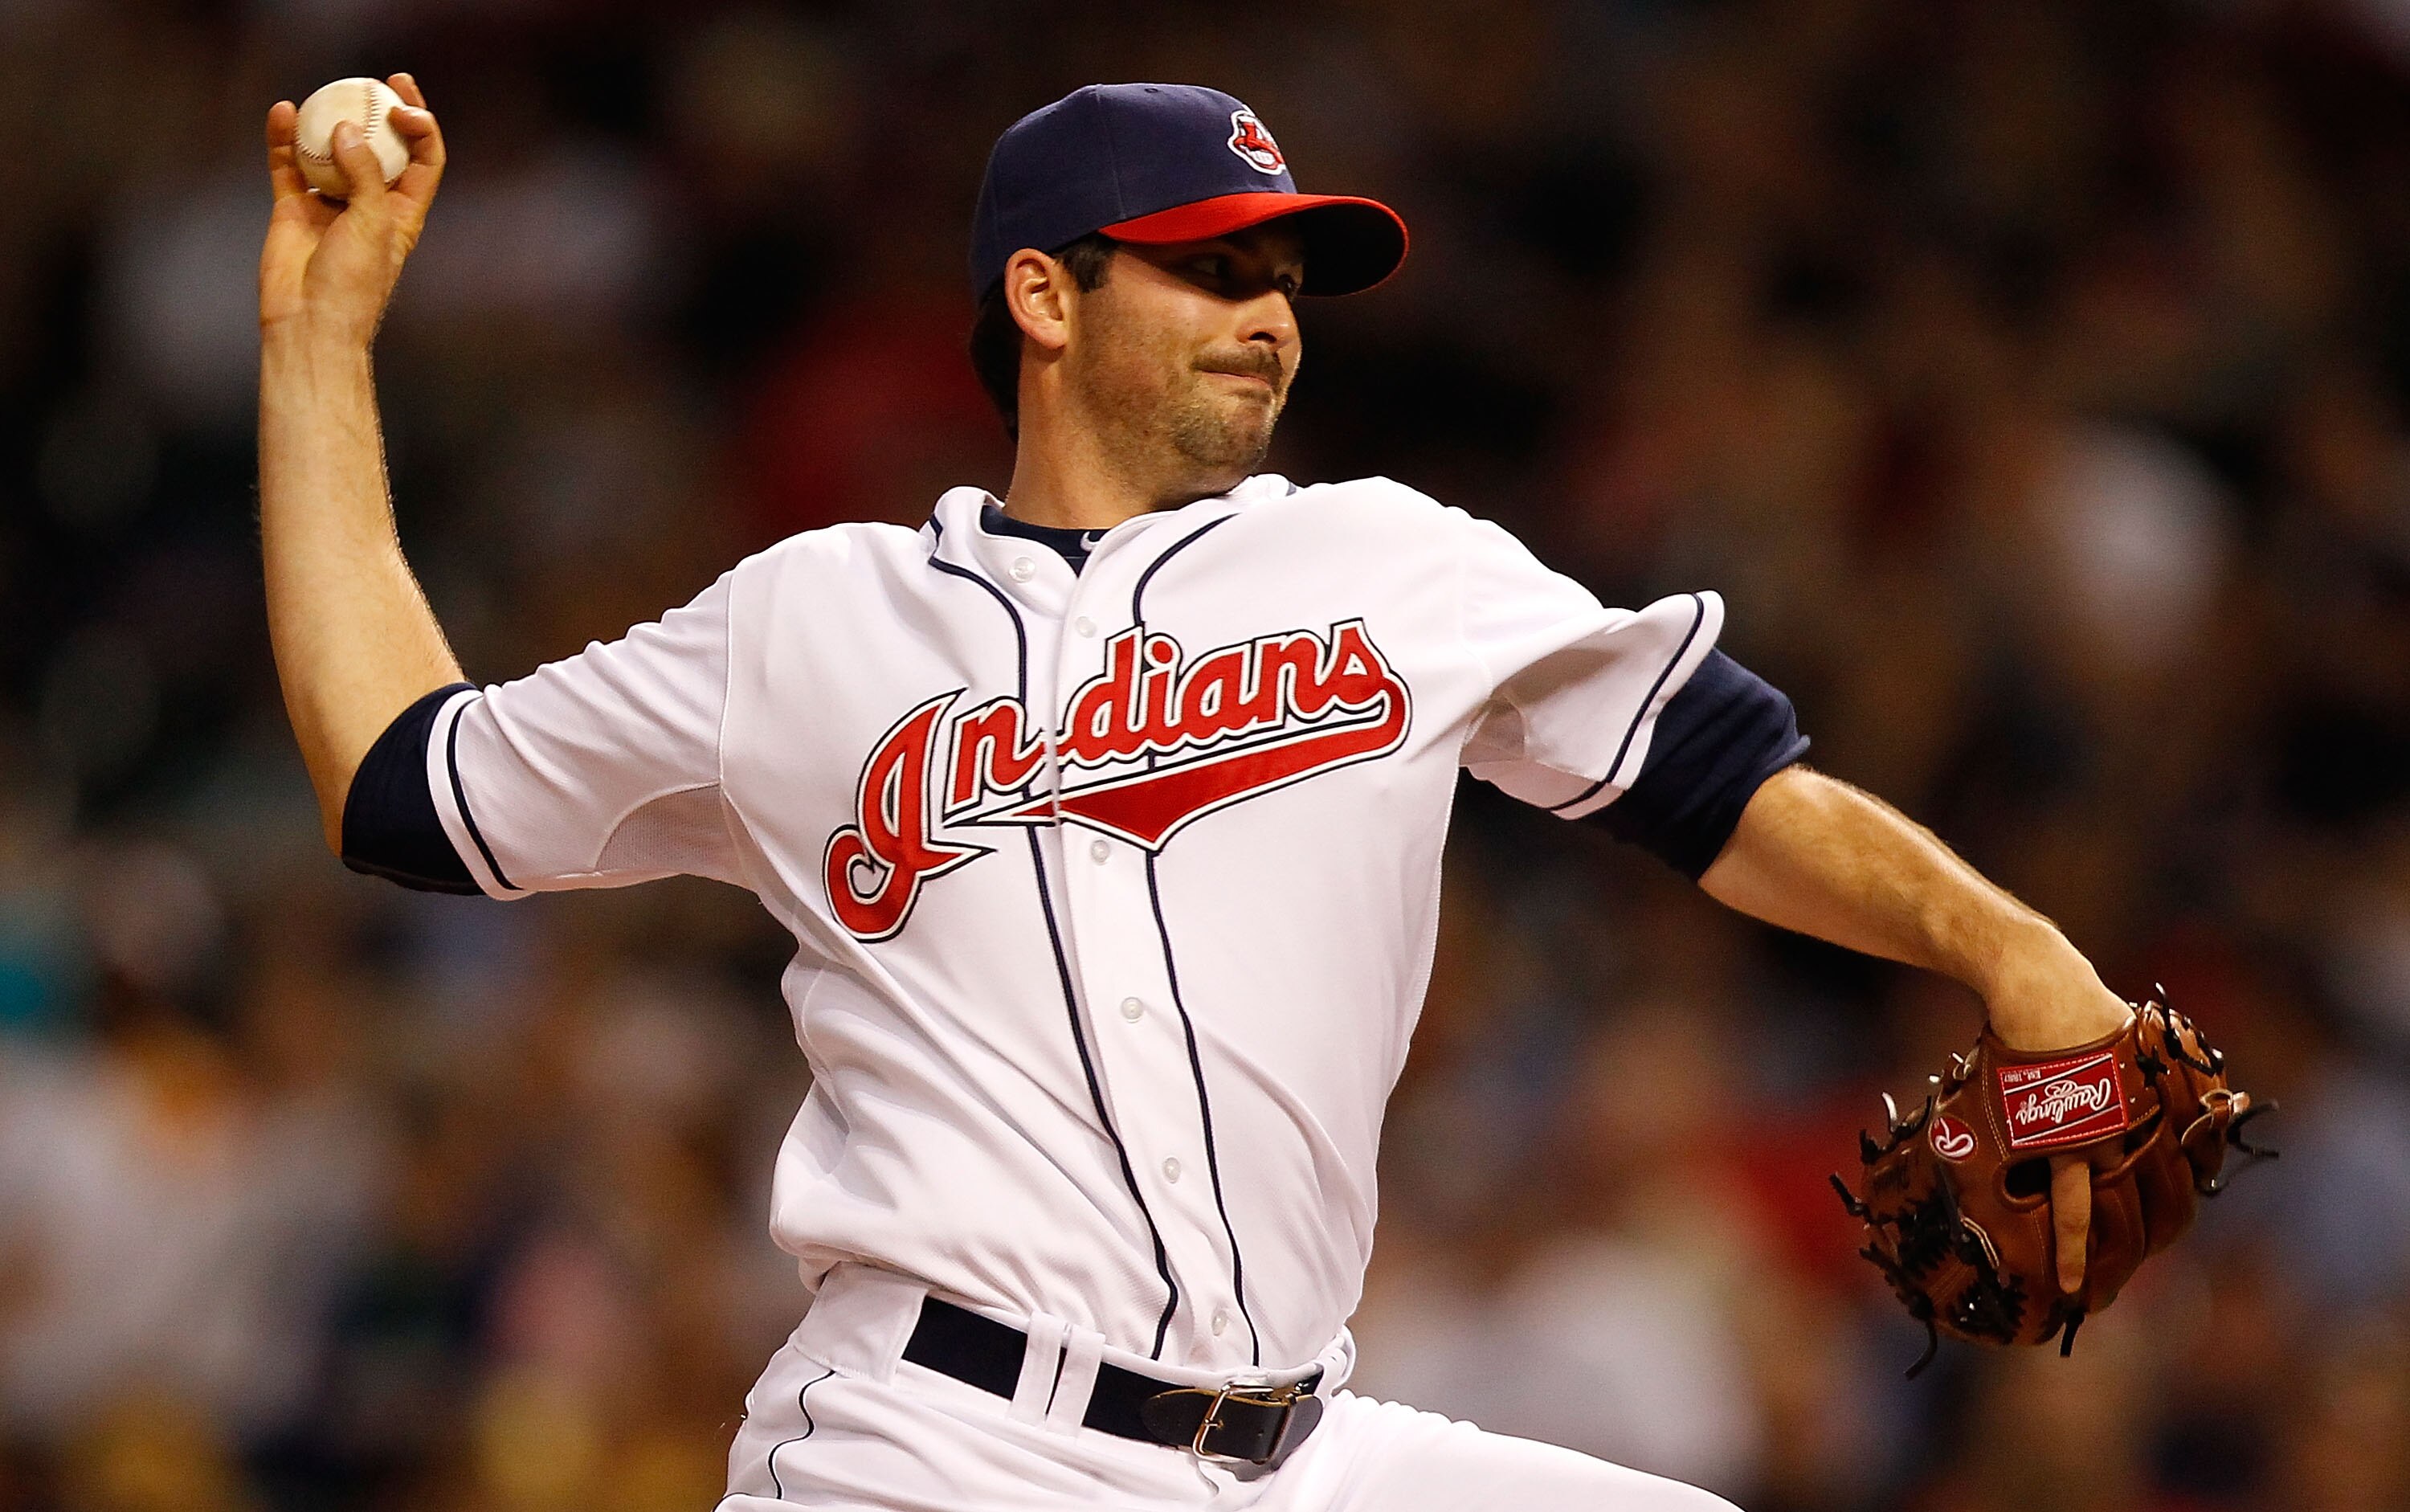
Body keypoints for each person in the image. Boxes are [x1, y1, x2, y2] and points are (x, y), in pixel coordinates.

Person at [256, 77, 2133, 1511]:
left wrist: (2013, 944)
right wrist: (321, 341)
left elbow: (1726, 782)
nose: (1273, 310)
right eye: (1215, 264)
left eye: (1287, 275)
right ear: (1046, 295)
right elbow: (407, 783)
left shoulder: (1395, 563)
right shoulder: (811, 620)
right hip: (933, 1443)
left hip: (1298, 1447)